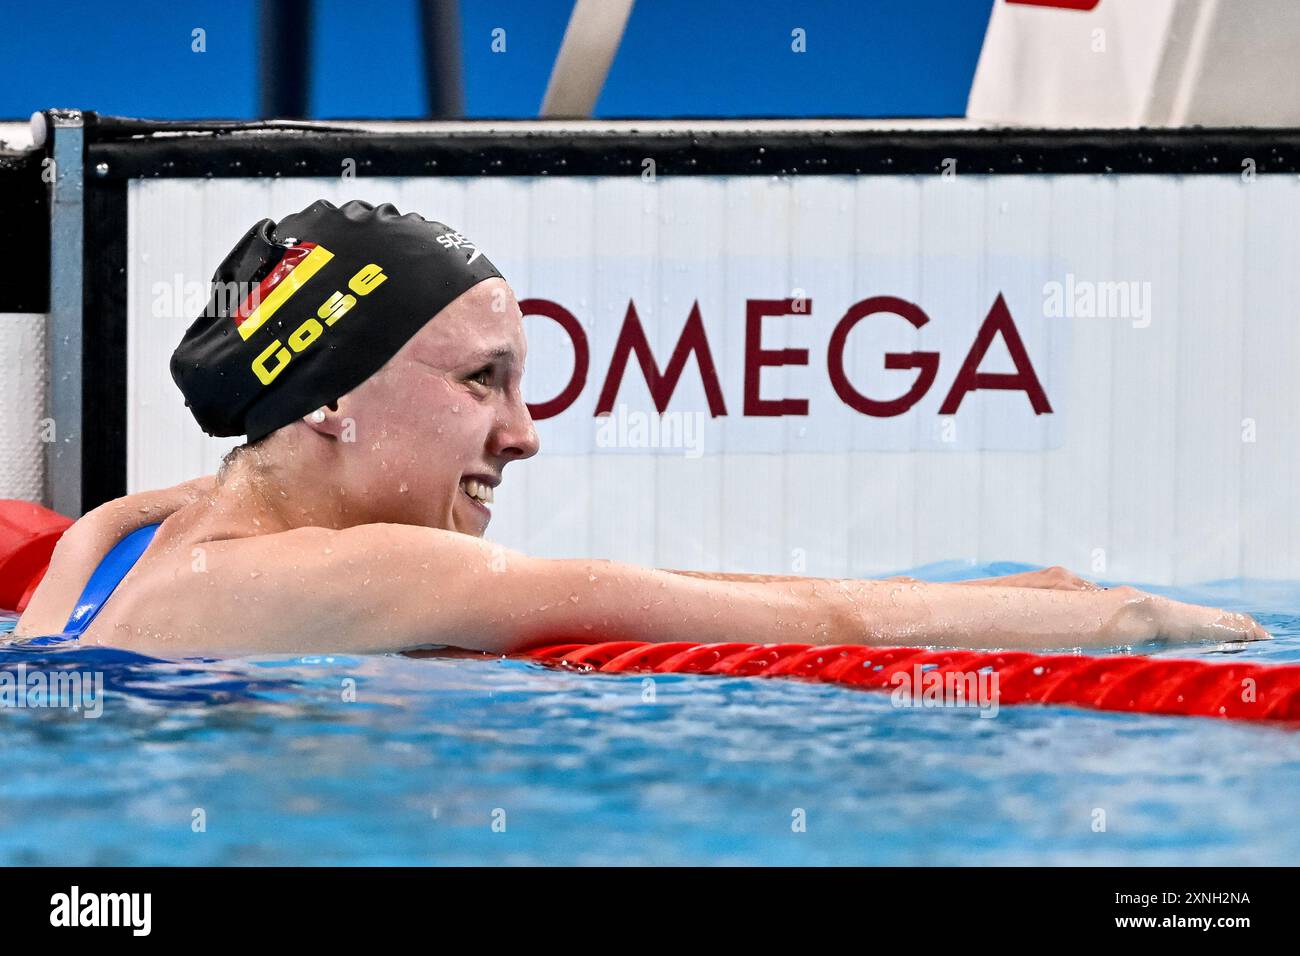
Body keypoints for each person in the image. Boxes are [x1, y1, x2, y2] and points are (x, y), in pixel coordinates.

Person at [14, 200, 1270, 656]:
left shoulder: (128, 532)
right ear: (331, 399)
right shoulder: (359, 571)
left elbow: (648, 581)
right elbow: (805, 630)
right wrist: (1120, 621)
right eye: (482, 380)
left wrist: (999, 588)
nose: (523, 433)